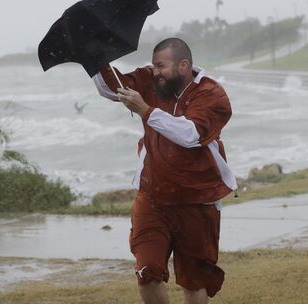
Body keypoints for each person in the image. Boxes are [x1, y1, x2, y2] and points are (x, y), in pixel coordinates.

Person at [92, 37, 237, 304]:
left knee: (194, 282)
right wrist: (93, 56)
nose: (155, 71)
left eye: (161, 66)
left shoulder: (211, 94)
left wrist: (146, 111)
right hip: (152, 197)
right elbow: (113, 89)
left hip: (197, 201)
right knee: (147, 272)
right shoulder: (151, 80)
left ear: (183, 65)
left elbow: (191, 134)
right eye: (153, 65)